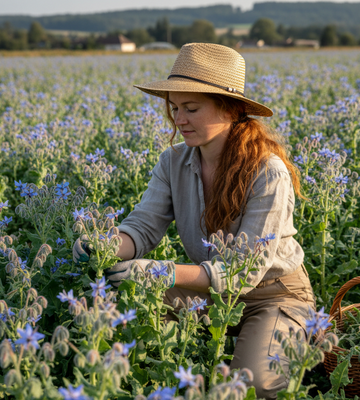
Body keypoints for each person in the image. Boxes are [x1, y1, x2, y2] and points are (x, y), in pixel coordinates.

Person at [73, 43, 315, 399]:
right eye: (174, 109)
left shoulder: (268, 171)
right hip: (209, 292)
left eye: (191, 108)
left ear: (230, 110)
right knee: (119, 297)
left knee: (253, 385)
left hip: (274, 295)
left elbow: (241, 271)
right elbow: (142, 228)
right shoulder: (173, 162)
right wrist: (105, 244)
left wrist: (165, 272)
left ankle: (291, 338)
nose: (178, 120)